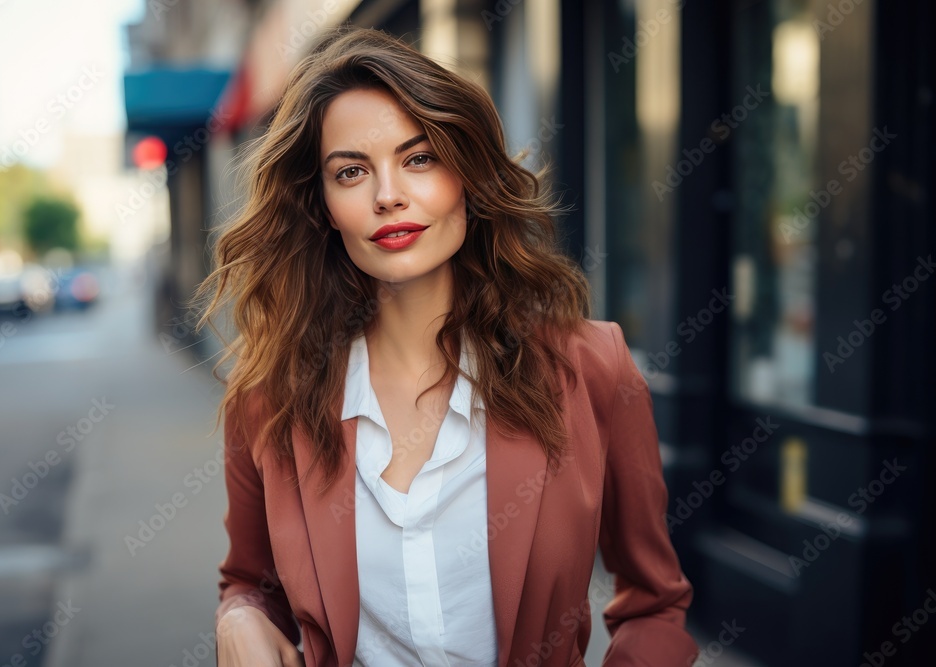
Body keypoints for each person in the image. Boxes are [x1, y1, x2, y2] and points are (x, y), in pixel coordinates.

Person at [194, 24, 698, 667]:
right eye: (351, 172)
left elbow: (654, 603)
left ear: (467, 174)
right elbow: (249, 581)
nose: (388, 195)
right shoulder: (269, 397)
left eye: (419, 158)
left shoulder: (589, 367)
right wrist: (237, 617)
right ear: (322, 205)